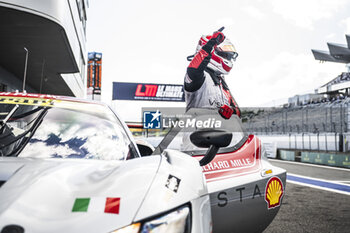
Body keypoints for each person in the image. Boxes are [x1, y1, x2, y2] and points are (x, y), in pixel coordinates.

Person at [184, 28, 240, 119]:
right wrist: (212, 43)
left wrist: (231, 111)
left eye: (229, 56)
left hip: (219, 131)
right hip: (195, 130)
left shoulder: (222, 83)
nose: (228, 59)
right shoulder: (198, 76)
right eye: (225, 55)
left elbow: (238, 113)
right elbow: (193, 69)